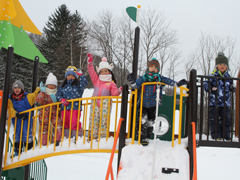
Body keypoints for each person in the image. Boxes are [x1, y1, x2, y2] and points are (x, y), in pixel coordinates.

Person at [127, 58, 188, 146]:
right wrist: (132, 82)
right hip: (143, 104)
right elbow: (135, 86)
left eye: (155, 67)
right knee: (142, 120)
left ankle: (148, 136)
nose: (153, 68)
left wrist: (176, 84)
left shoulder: (159, 78)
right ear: (148, 68)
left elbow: (168, 81)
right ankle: (142, 138)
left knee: (151, 121)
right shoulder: (143, 78)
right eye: (151, 66)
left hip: (153, 104)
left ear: (158, 70)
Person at [87, 53, 122, 140]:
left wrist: (120, 89)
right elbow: (91, 72)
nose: (104, 73)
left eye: (106, 71)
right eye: (102, 71)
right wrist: (90, 63)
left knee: (104, 122)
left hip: (105, 104)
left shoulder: (111, 83)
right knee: (94, 121)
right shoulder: (96, 80)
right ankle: (93, 137)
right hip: (95, 103)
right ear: (99, 72)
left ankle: (102, 138)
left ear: (109, 72)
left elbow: (114, 93)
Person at [203, 52, 235, 141]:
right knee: (214, 120)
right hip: (214, 102)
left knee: (226, 120)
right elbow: (205, 85)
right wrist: (211, 89)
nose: (222, 66)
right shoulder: (212, 76)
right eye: (220, 64)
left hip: (226, 103)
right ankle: (216, 135)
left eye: (224, 64)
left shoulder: (228, 77)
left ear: (227, 66)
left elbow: (231, 85)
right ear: (216, 66)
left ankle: (226, 136)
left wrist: (232, 87)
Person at [7, 80, 40, 157]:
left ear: (21, 89)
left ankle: (29, 151)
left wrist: (38, 88)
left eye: (19, 88)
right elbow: (10, 108)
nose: (17, 90)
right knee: (17, 134)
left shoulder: (27, 96)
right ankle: (17, 151)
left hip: (27, 118)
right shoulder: (10, 98)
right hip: (16, 118)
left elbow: (35, 95)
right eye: (15, 88)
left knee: (27, 133)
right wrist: (16, 114)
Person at [56, 66, 88, 140]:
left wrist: (81, 75)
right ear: (66, 76)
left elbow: (85, 83)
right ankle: (67, 138)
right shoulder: (63, 86)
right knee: (65, 123)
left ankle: (77, 138)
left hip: (75, 107)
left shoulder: (78, 85)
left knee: (74, 123)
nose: (70, 77)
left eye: (72, 75)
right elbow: (58, 95)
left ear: (75, 77)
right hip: (65, 108)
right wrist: (62, 100)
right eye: (68, 75)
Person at [36, 73, 62, 146]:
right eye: (50, 85)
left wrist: (56, 101)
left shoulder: (57, 93)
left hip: (54, 112)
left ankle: (57, 141)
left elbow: (60, 104)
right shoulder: (44, 92)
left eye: (54, 85)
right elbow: (39, 100)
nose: (52, 87)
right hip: (44, 112)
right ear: (47, 85)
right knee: (44, 128)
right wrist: (42, 92)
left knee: (58, 124)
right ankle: (43, 143)